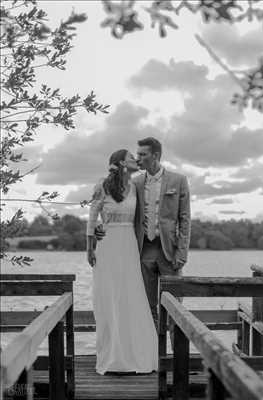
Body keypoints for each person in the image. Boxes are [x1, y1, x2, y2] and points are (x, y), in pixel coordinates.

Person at [87, 149, 158, 375]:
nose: (135, 160)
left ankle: (136, 352)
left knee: (131, 296)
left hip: (129, 245)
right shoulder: (103, 186)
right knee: (109, 296)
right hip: (107, 245)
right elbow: (92, 216)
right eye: (130, 158)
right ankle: (112, 356)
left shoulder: (136, 187)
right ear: (120, 163)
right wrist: (90, 247)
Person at [134, 137, 191, 344]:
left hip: (170, 251)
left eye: (142, 154)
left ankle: (178, 357)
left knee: (174, 304)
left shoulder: (178, 180)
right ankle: (154, 355)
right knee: (148, 306)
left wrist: (182, 252)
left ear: (155, 155)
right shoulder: (136, 182)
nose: (138, 158)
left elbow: (185, 219)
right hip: (144, 251)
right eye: (138, 154)